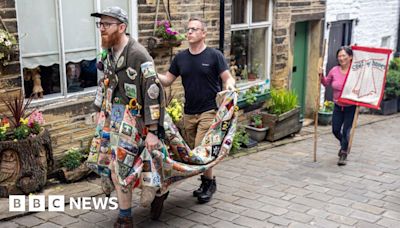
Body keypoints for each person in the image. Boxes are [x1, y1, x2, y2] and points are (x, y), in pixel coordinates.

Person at [90, 7, 165, 227]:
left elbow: (153, 91)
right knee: (115, 165)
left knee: (128, 166)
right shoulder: (108, 53)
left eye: (106, 24)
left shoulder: (139, 54)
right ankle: (126, 214)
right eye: (100, 24)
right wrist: (98, 110)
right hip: (113, 118)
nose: (101, 29)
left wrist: (152, 131)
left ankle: (138, 208)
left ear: (122, 27)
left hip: (138, 119)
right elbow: (104, 83)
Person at [158, 18, 235, 203]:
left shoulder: (214, 56)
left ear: (203, 33)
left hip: (209, 111)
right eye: (188, 29)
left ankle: (208, 184)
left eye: (194, 29)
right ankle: (206, 181)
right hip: (188, 112)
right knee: (193, 151)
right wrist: (150, 74)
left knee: (202, 150)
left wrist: (230, 86)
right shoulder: (181, 58)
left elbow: (227, 77)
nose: (190, 32)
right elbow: (168, 80)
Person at [319, 46, 356, 166]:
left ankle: (343, 153)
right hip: (338, 106)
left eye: (344, 55)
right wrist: (321, 74)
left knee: (346, 131)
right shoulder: (334, 70)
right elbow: (325, 83)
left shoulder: (355, 72)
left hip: (351, 107)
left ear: (350, 57)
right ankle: (344, 144)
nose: (341, 58)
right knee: (335, 130)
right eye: (339, 56)